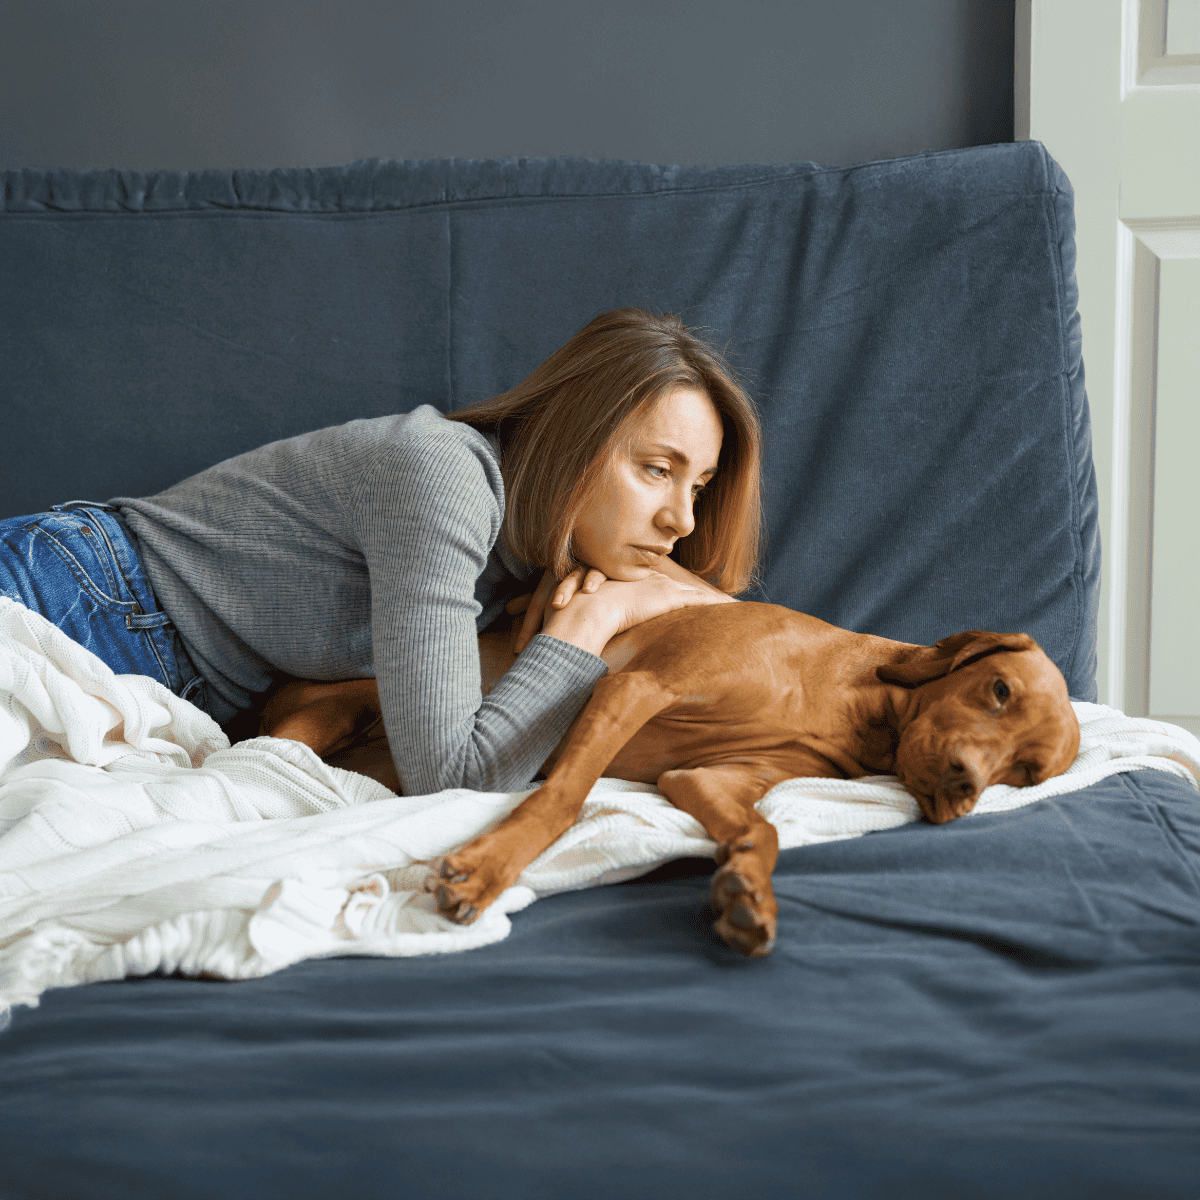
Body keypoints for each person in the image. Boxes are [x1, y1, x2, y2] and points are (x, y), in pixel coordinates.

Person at [0, 308, 763, 796]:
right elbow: (450, 775)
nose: (682, 522)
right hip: (78, 593)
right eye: (656, 469)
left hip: (148, 671)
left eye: (698, 485)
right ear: (574, 439)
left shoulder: (531, 560)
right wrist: (597, 623)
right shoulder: (445, 479)